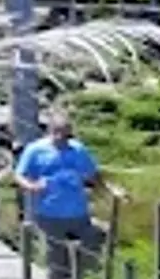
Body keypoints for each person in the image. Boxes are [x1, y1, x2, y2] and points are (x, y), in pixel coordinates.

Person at [13, 105, 113, 252]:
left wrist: (108, 191)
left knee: (90, 250)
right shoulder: (35, 150)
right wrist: (31, 186)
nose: (63, 140)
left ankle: (80, 272)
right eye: (59, 135)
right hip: (49, 213)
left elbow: (93, 175)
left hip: (78, 212)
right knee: (55, 257)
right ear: (50, 131)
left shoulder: (78, 149)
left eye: (67, 136)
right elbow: (19, 175)